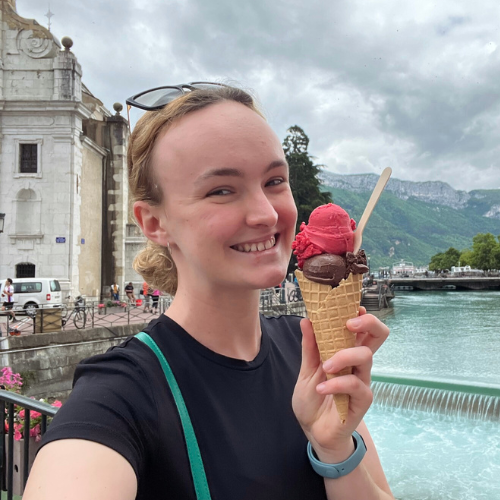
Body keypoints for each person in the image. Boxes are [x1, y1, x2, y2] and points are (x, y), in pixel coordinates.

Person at [25, 83, 393, 500]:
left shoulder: (309, 349)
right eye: (222, 190)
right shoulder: (119, 394)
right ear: (153, 223)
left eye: (275, 180)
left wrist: (333, 448)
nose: (267, 213)